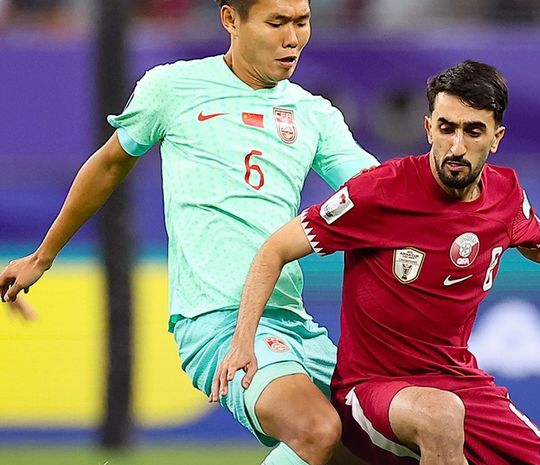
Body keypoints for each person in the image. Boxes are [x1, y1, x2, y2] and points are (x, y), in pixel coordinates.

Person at [211, 60, 540, 465]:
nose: (457, 146)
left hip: (460, 381)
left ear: (496, 137)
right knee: (440, 416)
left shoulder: (506, 194)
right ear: (428, 128)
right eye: (446, 128)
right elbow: (275, 248)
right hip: (373, 388)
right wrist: (243, 342)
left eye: (472, 131)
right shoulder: (380, 192)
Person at [0, 1, 378, 464]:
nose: (292, 38)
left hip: (293, 322)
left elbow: (376, 191)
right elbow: (110, 164)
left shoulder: (313, 113)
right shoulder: (173, 87)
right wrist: (42, 257)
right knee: (316, 429)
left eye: (302, 22)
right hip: (216, 321)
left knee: (380, 449)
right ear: (230, 20)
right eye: (276, 23)